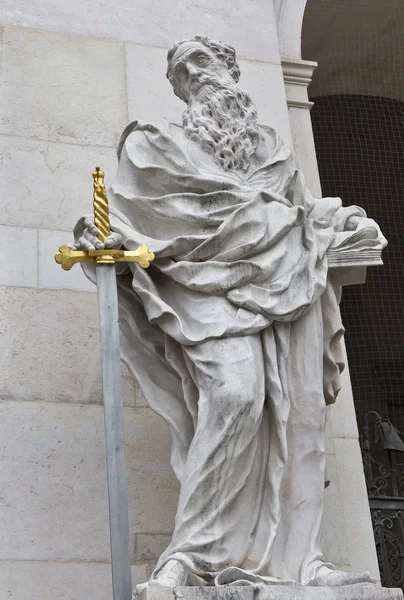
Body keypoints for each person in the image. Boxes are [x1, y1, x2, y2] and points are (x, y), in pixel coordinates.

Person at [72, 36, 386, 587]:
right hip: (208, 289)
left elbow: (298, 210)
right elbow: (143, 210)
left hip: (291, 284)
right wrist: (108, 234)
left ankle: (302, 559)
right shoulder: (157, 145)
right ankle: (192, 553)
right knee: (236, 396)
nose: (193, 73)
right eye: (180, 70)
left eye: (202, 59)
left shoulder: (274, 150)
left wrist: (342, 222)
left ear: (231, 68)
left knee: (303, 413)